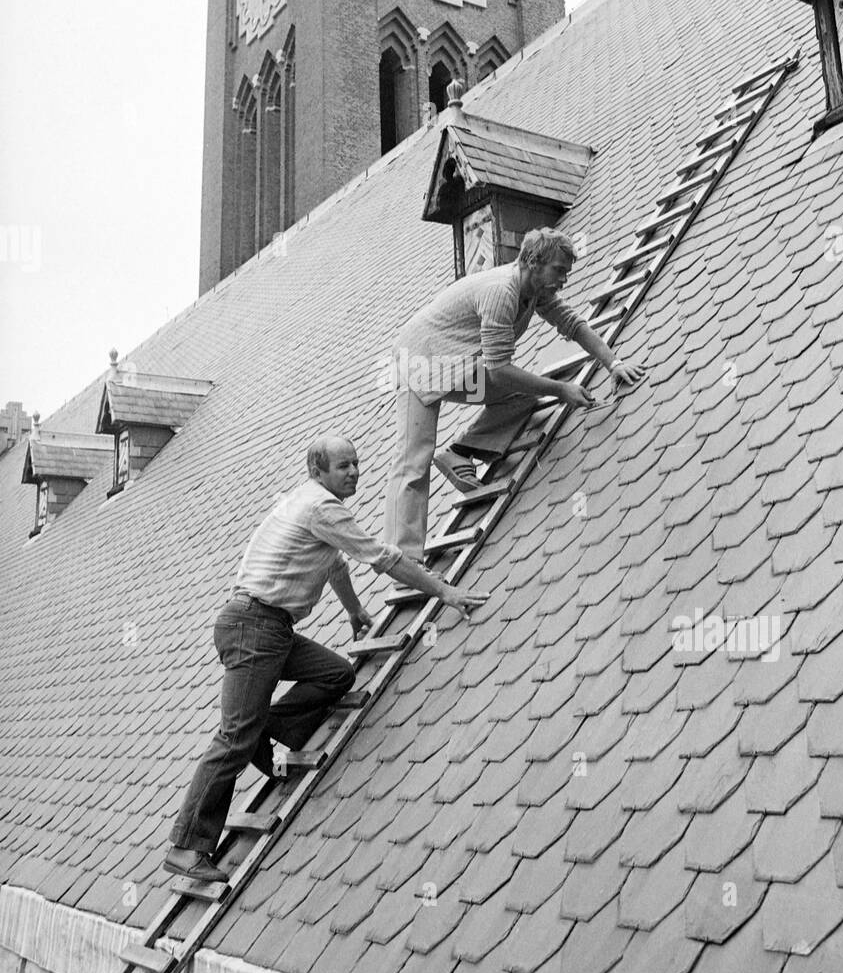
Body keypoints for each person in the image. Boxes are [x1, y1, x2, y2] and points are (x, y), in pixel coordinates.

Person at [165, 434, 487, 883]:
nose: (354, 471)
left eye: (355, 463)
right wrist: (445, 591)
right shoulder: (322, 507)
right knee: (234, 738)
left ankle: (269, 726)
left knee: (334, 675)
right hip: (254, 627)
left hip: (268, 628)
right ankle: (186, 847)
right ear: (318, 472)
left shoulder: (311, 503)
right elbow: (383, 557)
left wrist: (354, 610)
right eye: (342, 466)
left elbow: (334, 564)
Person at [383, 227, 646, 561]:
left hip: (453, 362)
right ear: (533, 262)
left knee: (522, 396)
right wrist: (561, 389)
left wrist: (613, 362)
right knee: (414, 460)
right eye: (559, 270)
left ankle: (461, 450)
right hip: (417, 360)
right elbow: (500, 371)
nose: (564, 279)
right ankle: (402, 561)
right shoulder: (501, 291)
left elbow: (571, 323)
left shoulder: (533, 290)